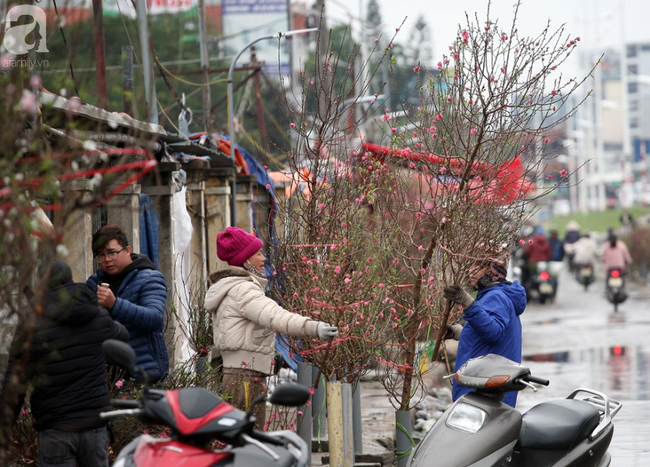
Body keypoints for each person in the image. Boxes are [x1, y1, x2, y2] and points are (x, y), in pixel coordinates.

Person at [205, 227, 338, 426]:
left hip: (240, 373)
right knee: (248, 438)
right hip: (245, 377)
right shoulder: (244, 290)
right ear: (246, 260)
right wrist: (313, 327)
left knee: (240, 437)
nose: (264, 258)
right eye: (258, 253)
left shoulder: (233, 287)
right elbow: (276, 316)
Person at [1, 259, 128, 467]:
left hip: (55, 428)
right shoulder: (98, 316)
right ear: (71, 281)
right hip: (94, 425)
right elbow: (123, 336)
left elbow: (14, 387)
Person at [87, 225, 169, 383]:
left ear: (127, 250)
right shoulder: (94, 282)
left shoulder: (149, 278)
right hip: (103, 375)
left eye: (112, 252)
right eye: (101, 255)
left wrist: (115, 304)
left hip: (142, 371)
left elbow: (154, 318)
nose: (107, 259)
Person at [443, 257, 527, 407]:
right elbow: (492, 342)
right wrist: (463, 334)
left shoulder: (495, 296)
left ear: (493, 270)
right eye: (470, 265)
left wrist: (467, 302)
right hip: (488, 391)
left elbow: (494, 333)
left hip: (483, 393)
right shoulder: (497, 295)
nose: (471, 271)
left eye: (480, 265)